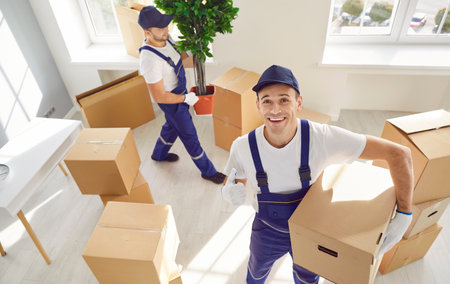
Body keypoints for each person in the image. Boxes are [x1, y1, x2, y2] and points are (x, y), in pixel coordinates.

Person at [221, 65, 413, 283]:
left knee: (307, 280)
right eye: (267, 101)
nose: (275, 110)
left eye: (284, 100)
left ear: (299, 103)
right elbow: (234, 178)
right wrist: (228, 190)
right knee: (255, 273)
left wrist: (405, 214)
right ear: (258, 106)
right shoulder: (243, 146)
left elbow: (399, 154)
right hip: (266, 230)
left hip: (312, 230)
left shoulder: (321, 137)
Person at [138, 6, 225, 184]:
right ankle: (208, 171)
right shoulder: (149, 60)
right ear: (147, 32)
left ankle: (158, 154)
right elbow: (159, 96)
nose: (165, 30)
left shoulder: (164, 39)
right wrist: (184, 98)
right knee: (189, 135)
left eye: (165, 26)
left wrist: (193, 48)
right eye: (159, 28)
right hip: (171, 101)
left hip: (179, 94)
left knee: (171, 127)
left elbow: (176, 54)